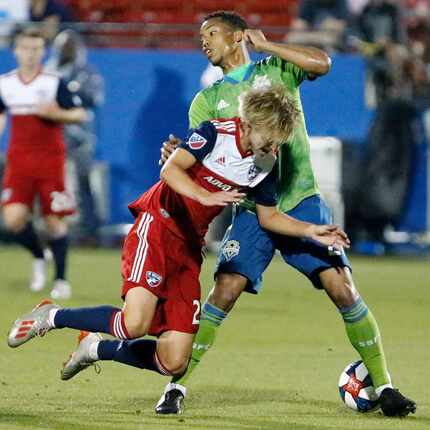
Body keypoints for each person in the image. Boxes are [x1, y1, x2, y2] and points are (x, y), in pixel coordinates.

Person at [155, 11, 416, 417]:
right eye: (200, 35)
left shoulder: (276, 68)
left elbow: (323, 63)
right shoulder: (206, 101)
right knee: (224, 290)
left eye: (212, 33)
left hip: (299, 198)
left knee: (342, 287)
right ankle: (176, 387)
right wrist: (179, 155)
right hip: (251, 208)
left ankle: (384, 386)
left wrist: (269, 44)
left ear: (238, 36)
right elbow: (207, 159)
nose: (203, 41)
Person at [7, 86, 350, 395]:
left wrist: (312, 230)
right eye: (270, 136)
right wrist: (205, 195)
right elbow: (170, 170)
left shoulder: (265, 163)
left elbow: (269, 217)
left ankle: (96, 349)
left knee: (174, 361)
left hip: (188, 246)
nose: (273, 145)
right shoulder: (215, 133)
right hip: (157, 226)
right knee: (133, 324)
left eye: (278, 139)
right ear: (249, 122)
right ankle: (52, 317)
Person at [0, 27, 87, 299]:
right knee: (13, 220)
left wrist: (57, 113)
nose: (30, 54)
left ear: (43, 51)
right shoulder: (6, 84)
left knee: (54, 221)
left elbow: (80, 114)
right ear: (16, 50)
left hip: (50, 161)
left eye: (36, 49)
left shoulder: (53, 82)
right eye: (26, 48)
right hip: (19, 161)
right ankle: (39, 254)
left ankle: (61, 280)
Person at [47, 29, 105, 242]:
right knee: (52, 183)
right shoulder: (49, 71)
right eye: (63, 47)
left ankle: (90, 229)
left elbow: (95, 98)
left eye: (70, 47)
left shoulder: (88, 73)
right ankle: (53, 226)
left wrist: (72, 93)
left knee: (83, 181)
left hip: (80, 136)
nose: (66, 51)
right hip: (53, 136)